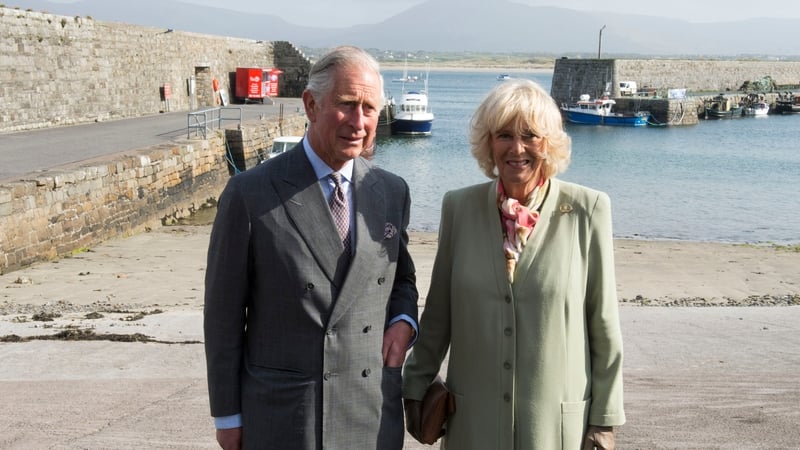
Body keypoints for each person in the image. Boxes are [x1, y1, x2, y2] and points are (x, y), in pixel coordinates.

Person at [204, 45, 419, 450]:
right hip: (285, 416)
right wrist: (227, 416)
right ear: (311, 104)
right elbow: (222, 316)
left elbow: (401, 278)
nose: (359, 121)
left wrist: (405, 321)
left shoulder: (391, 191)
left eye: (369, 108)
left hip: (369, 412)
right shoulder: (250, 194)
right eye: (346, 104)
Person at [402, 78, 625, 449]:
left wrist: (604, 421)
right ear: (488, 142)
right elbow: (439, 314)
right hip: (473, 425)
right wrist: (414, 384)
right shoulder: (458, 207)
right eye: (504, 134)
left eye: (530, 136)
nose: (517, 148)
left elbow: (603, 325)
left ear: (548, 143)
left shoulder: (589, 210)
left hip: (555, 430)